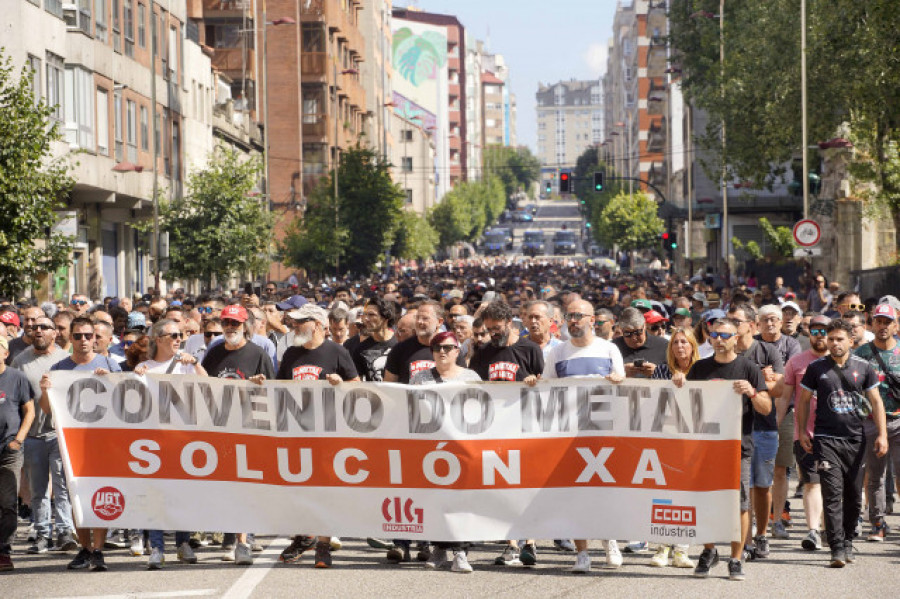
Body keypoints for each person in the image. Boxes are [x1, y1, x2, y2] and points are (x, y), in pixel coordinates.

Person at [540, 299, 625, 573]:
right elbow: (547, 389)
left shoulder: (609, 349)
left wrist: (616, 381)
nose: (573, 320)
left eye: (578, 315)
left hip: (603, 435)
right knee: (575, 494)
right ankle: (582, 552)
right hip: (569, 436)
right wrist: (533, 383)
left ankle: (609, 539)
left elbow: (624, 386)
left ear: (592, 320)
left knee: (605, 491)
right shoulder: (558, 353)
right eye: (569, 316)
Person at [796, 319, 888, 567]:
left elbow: (877, 402)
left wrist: (882, 435)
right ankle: (836, 548)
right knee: (832, 493)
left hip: (856, 439)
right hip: (826, 440)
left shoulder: (864, 367)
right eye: (831, 339)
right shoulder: (816, 368)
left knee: (854, 496)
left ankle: (848, 542)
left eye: (839, 339)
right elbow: (803, 400)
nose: (834, 343)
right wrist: (803, 431)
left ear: (851, 341)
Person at [687, 318, 770, 581]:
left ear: (736, 338)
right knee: (705, 500)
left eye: (725, 335)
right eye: (714, 334)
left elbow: (767, 408)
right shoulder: (699, 368)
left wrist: (753, 393)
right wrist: (686, 387)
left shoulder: (748, 368)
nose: (719, 339)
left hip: (738, 446)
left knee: (740, 505)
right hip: (705, 446)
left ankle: (736, 558)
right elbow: (683, 406)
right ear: (709, 338)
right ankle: (709, 551)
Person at [40, 316, 122, 572]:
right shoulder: (60, 369)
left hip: (103, 442)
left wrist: (110, 382)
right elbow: (47, 410)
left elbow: (124, 403)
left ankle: (98, 549)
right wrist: (45, 390)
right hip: (71, 443)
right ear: (70, 338)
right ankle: (85, 548)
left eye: (89, 336)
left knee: (100, 494)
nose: (84, 341)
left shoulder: (110, 364)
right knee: (77, 497)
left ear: (96, 338)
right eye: (78, 336)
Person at [200, 305, 274, 566]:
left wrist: (261, 386)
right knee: (225, 486)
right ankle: (232, 537)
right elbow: (202, 387)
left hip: (249, 429)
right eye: (226, 322)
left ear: (245, 325)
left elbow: (275, 392)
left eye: (235, 322)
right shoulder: (214, 353)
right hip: (220, 429)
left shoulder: (258, 354)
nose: (230, 327)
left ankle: (242, 541)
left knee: (244, 486)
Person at [133, 319, 206, 569]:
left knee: (182, 493)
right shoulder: (145, 366)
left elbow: (209, 386)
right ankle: (157, 547)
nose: (178, 339)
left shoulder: (186, 365)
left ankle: (183, 542)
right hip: (153, 441)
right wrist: (137, 377)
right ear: (159, 338)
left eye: (181, 335)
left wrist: (195, 363)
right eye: (173, 335)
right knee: (155, 494)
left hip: (181, 439)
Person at [408, 331, 481, 574]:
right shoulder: (420, 378)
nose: (442, 351)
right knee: (435, 499)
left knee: (461, 500)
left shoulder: (470, 377)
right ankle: (439, 548)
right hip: (431, 449)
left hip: (462, 448)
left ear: (457, 351)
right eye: (437, 347)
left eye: (448, 348)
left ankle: (460, 552)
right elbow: (411, 410)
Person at [10, 314, 75, 555]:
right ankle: (42, 533)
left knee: (62, 486)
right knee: (37, 489)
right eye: (35, 327)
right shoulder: (20, 361)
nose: (38, 331)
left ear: (54, 333)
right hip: (33, 435)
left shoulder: (65, 360)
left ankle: (66, 531)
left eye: (44, 327)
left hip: (60, 433)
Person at [729, 303, 784, 560]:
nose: (730, 326)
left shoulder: (768, 350)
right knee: (741, 487)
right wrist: (763, 380)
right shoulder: (725, 351)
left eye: (736, 321)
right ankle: (746, 541)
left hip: (764, 427)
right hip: (732, 428)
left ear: (751, 325)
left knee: (762, 486)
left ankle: (761, 534)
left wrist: (756, 384)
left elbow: (779, 389)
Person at [777, 315, 831, 551]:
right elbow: (785, 399)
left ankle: (833, 529)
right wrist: (776, 426)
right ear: (809, 333)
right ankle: (813, 531)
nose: (820, 335)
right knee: (812, 483)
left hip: (838, 434)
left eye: (824, 331)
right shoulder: (797, 362)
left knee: (834, 485)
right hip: (805, 432)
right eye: (815, 330)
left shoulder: (844, 361)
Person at [649, 327, 700, 569]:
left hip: (694, 442)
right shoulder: (661, 370)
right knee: (664, 496)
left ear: (692, 346)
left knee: (688, 495)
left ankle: (682, 549)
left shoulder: (702, 370)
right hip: (666, 440)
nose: (680, 346)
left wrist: (687, 384)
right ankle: (661, 547)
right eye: (675, 343)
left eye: (684, 342)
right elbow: (653, 403)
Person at [851, 304, 900, 542]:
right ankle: (877, 523)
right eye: (878, 321)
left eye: (887, 322)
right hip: (870, 422)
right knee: (876, 475)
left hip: (899, 420)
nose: (882, 326)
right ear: (872, 324)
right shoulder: (860, 354)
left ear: (895, 325)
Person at [0, 336, 35, 571]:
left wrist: (18, 439)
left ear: (5, 353)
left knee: (7, 502)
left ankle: (3, 549)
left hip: (8, 450)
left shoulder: (17, 378)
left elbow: (29, 411)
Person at [350, 298, 398, 382]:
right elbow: (357, 383)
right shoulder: (361, 349)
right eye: (365, 315)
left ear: (386, 317)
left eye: (371, 315)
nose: (366, 319)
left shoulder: (399, 344)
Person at [613, 307, 668, 379]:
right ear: (621, 330)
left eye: (638, 332)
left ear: (644, 326)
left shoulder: (664, 346)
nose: (634, 337)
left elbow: (677, 373)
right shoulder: (613, 347)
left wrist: (658, 371)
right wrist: (620, 372)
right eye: (628, 334)